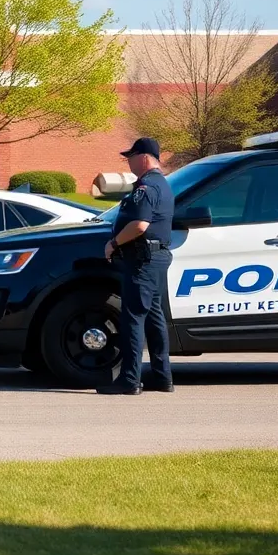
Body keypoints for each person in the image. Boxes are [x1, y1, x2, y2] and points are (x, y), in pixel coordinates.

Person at [98, 137, 175, 395]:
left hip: (142, 260)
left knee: (133, 318)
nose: (128, 162)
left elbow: (140, 225)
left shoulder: (146, 187)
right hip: (156, 258)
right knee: (154, 318)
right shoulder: (163, 185)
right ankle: (163, 377)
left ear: (143, 157)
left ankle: (129, 380)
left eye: (130, 157)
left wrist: (114, 243)